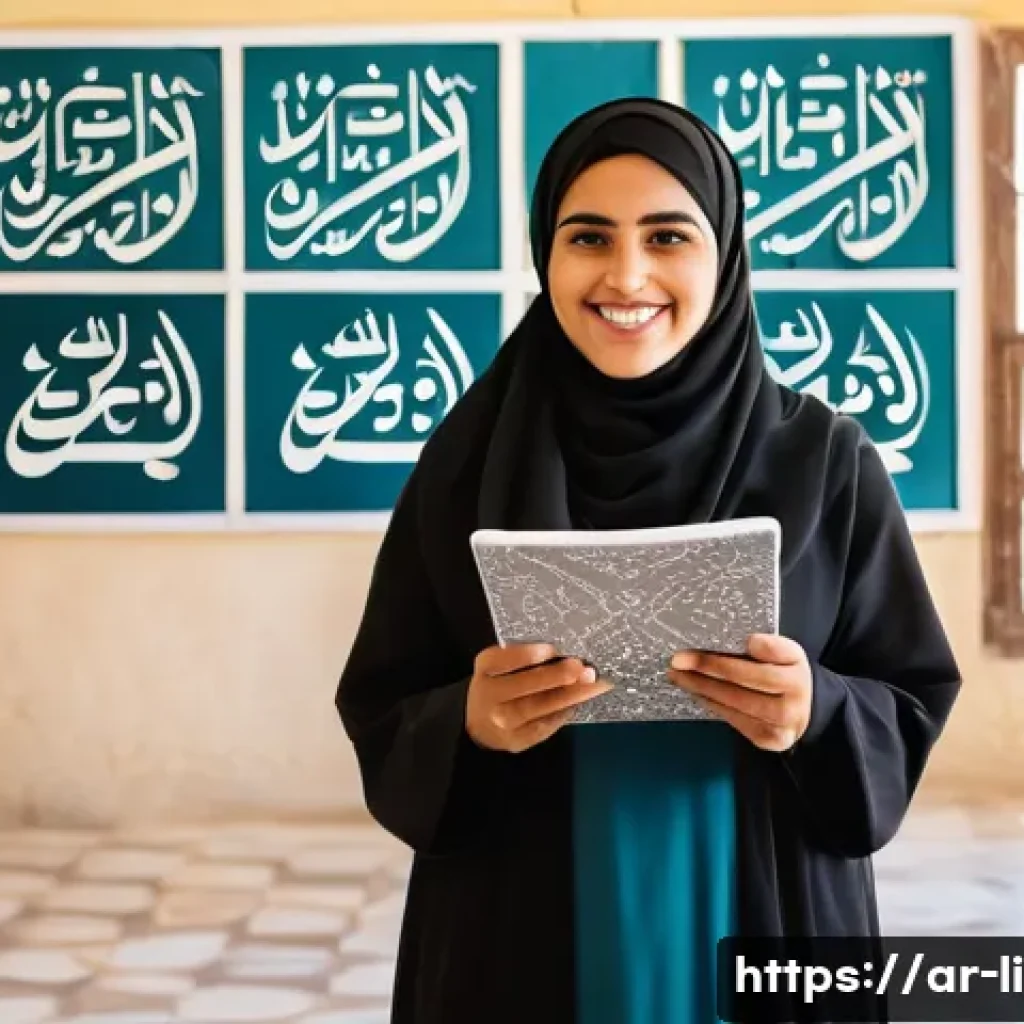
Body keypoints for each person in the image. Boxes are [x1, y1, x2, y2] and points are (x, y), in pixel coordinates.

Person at [335, 98, 962, 1024]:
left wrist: (816, 710)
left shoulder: (824, 461)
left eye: (668, 236)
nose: (626, 275)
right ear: (546, 255)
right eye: (588, 238)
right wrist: (469, 721)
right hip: (518, 927)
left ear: (726, 254)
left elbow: (908, 694)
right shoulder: (465, 465)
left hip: (764, 912)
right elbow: (383, 699)